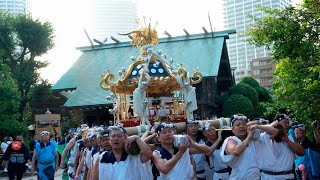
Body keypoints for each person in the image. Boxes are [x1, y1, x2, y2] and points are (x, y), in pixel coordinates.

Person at [220, 114, 279, 180]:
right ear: (233, 129)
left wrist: (258, 126)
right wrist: (249, 136)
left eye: (244, 124)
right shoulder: (230, 140)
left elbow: (275, 132)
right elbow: (236, 151)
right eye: (238, 125)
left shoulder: (254, 140)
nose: (241, 126)